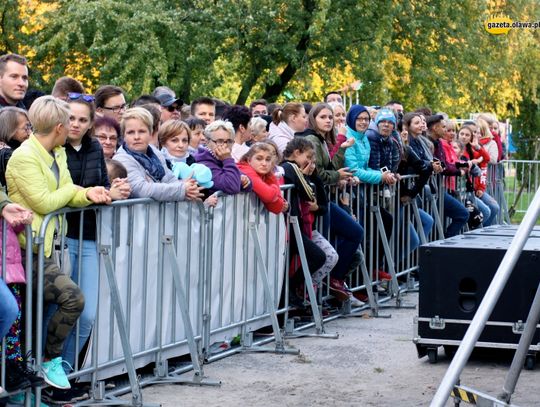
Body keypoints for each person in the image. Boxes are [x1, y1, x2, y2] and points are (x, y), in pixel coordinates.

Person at [6, 96, 111, 390]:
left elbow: (65, 193)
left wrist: (89, 194)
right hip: (25, 251)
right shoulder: (25, 156)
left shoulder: (57, 153)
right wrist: (74, 191)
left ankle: (44, 365)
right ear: (58, 126)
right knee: (69, 299)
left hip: (47, 248)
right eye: (68, 122)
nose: (73, 127)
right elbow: (44, 201)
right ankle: (44, 364)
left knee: (44, 313)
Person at [296, 102, 363, 302]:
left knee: (353, 233)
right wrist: (337, 176)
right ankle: (331, 280)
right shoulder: (311, 139)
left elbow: (331, 166)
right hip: (316, 201)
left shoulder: (321, 139)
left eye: (330, 117)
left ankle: (332, 282)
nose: (328, 120)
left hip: (326, 199)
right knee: (354, 232)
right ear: (313, 119)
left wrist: (340, 158)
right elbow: (319, 173)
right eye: (323, 117)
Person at [280, 138, 353, 306]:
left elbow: (322, 202)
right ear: (297, 153)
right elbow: (308, 194)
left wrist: (310, 179)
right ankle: (291, 291)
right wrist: (305, 177)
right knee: (317, 256)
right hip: (291, 226)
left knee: (323, 256)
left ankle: (296, 292)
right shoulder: (289, 167)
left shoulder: (306, 172)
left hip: (302, 226)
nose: (311, 163)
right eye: (309, 157)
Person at [113, 107, 203, 201]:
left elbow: (169, 178)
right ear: (124, 136)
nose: (136, 137)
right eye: (131, 132)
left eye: (142, 131)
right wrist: (181, 189)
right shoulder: (121, 159)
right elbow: (141, 189)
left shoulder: (154, 151)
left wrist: (188, 189)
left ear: (150, 133)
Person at [425, 114, 469, 237]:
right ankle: (445, 244)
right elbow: (441, 166)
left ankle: (445, 242)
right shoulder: (429, 143)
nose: (445, 130)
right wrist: (458, 171)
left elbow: (445, 164)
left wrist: (460, 166)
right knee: (461, 214)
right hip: (431, 190)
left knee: (460, 214)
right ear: (435, 127)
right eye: (444, 127)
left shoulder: (438, 142)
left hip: (438, 189)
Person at [193, 120, 251, 195]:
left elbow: (249, 185)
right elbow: (231, 186)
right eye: (219, 141)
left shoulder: (222, 159)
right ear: (207, 142)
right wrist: (227, 159)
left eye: (229, 141)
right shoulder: (203, 162)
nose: (225, 145)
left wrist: (245, 180)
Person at [237, 142, 288, 214]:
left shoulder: (266, 173)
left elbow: (277, 208)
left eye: (268, 160)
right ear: (249, 160)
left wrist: (272, 193)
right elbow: (268, 196)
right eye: (259, 159)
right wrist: (274, 187)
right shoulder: (245, 169)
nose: (264, 163)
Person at [0, 107, 32, 186]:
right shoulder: (10, 156)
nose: (30, 132)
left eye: (30, 127)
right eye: (26, 127)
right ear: (10, 130)